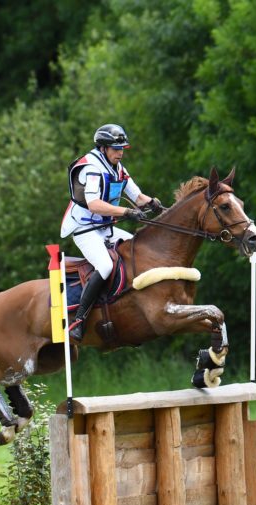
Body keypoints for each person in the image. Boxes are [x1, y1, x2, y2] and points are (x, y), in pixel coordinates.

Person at [61, 124, 164, 342]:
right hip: (85, 229)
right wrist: (126, 212)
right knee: (106, 265)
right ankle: (79, 321)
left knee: (138, 249)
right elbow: (94, 204)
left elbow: (137, 197)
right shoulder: (91, 168)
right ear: (103, 148)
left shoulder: (118, 169)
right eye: (116, 148)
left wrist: (153, 203)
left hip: (104, 228)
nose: (120, 152)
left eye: (122, 148)